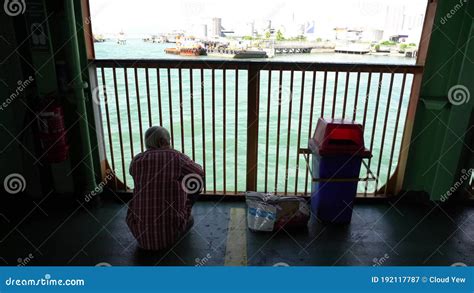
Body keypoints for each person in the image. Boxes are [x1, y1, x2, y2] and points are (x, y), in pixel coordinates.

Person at [126, 126, 204, 251]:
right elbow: (199, 172)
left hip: (141, 238)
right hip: (170, 237)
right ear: (163, 141)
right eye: (169, 140)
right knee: (197, 181)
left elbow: (132, 173)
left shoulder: (137, 160)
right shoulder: (176, 156)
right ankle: (184, 214)